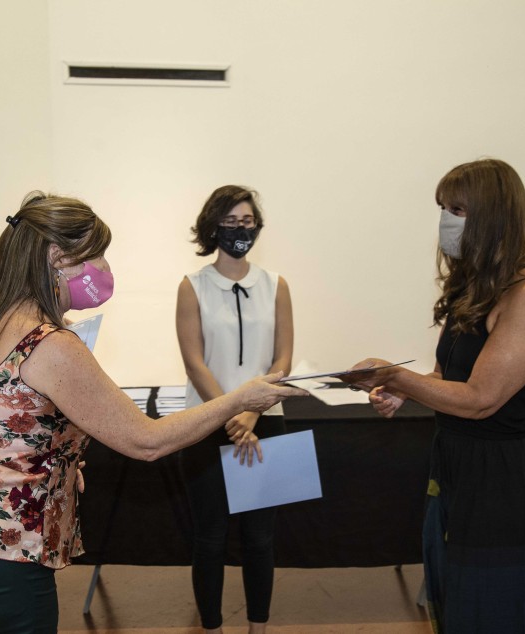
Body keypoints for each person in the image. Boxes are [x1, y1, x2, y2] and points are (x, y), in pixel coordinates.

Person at [0, 192, 305, 633]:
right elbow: (146, 441)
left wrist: (49, 455)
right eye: (96, 256)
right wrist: (238, 400)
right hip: (2, 551)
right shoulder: (50, 345)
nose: (104, 270)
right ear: (58, 258)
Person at [347, 159, 525, 633]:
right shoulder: (474, 287)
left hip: (503, 477)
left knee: (494, 608)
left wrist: (396, 377)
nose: (447, 221)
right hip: (455, 463)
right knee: (453, 602)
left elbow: (480, 398)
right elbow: (448, 374)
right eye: (443, 209)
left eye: (458, 209)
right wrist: (403, 392)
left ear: (494, 214)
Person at [176, 185, 294, 634]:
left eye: (247, 221)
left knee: (260, 539)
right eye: (231, 221)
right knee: (210, 539)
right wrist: (231, 412)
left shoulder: (275, 285)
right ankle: (212, 627)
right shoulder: (193, 287)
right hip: (207, 426)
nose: (240, 229)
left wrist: (253, 413)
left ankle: (258, 627)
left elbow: (282, 360)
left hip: (266, 423)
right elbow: (195, 361)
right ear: (212, 226)